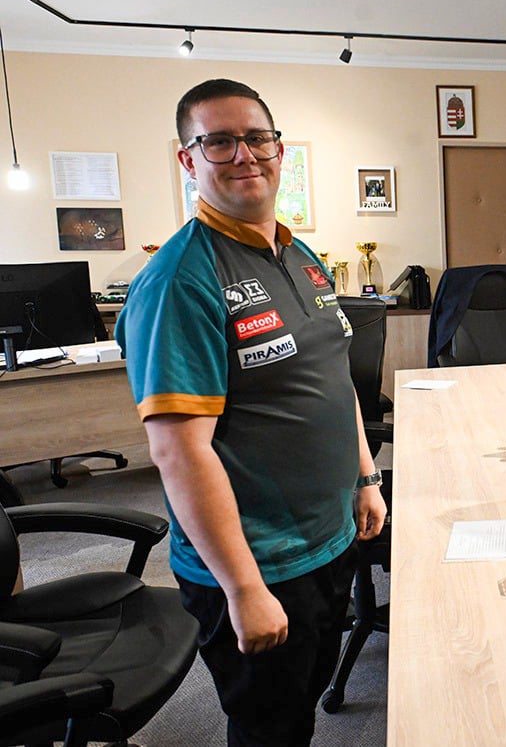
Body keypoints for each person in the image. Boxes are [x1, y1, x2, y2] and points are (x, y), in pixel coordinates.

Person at [116, 78, 387, 745]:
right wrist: (241, 589)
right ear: (188, 159)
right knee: (270, 728)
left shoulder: (299, 253)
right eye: (219, 141)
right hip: (258, 563)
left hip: (327, 539)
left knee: (301, 707)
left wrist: (364, 477)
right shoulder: (181, 280)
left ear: (279, 150)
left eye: (257, 138)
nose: (244, 155)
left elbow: (334, 379)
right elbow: (179, 451)